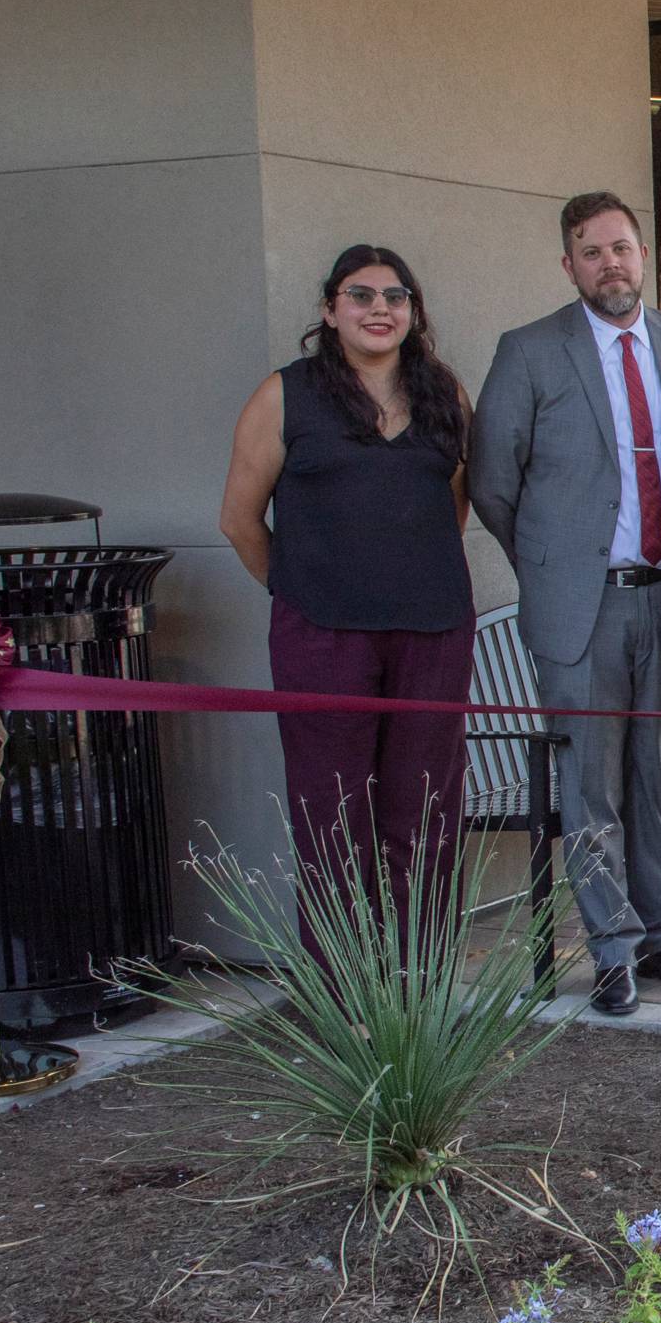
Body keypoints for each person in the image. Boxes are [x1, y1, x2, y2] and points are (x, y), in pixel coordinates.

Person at [468, 192, 661, 1017]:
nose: (610, 263)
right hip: (585, 604)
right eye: (591, 251)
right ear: (568, 264)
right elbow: (493, 485)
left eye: (622, 247)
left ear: (644, 255)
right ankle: (608, 947)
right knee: (589, 784)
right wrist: (555, 567)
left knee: (656, 775)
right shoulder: (531, 350)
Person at [218, 244, 476, 943]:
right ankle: (344, 1004)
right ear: (331, 310)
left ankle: (421, 989)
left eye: (395, 296)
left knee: (424, 820)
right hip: (323, 637)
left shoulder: (443, 392)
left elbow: (450, 509)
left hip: (433, 632)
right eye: (360, 295)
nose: (379, 309)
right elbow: (239, 520)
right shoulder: (286, 394)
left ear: (412, 312)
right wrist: (301, 588)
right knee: (332, 821)